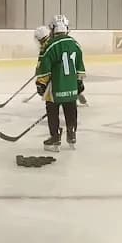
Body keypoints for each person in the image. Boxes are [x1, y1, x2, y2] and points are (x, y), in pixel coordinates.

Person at [35, 15, 85, 152]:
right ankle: (71, 134)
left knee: (52, 110)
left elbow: (44, 71)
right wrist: (79, 84)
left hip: (56, 87)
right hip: (71, 87)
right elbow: (80, 68)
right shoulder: (76, 44)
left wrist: (41, 84)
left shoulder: (50, 46)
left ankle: (55, 138)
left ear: (52, 29)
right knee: (71, 110)